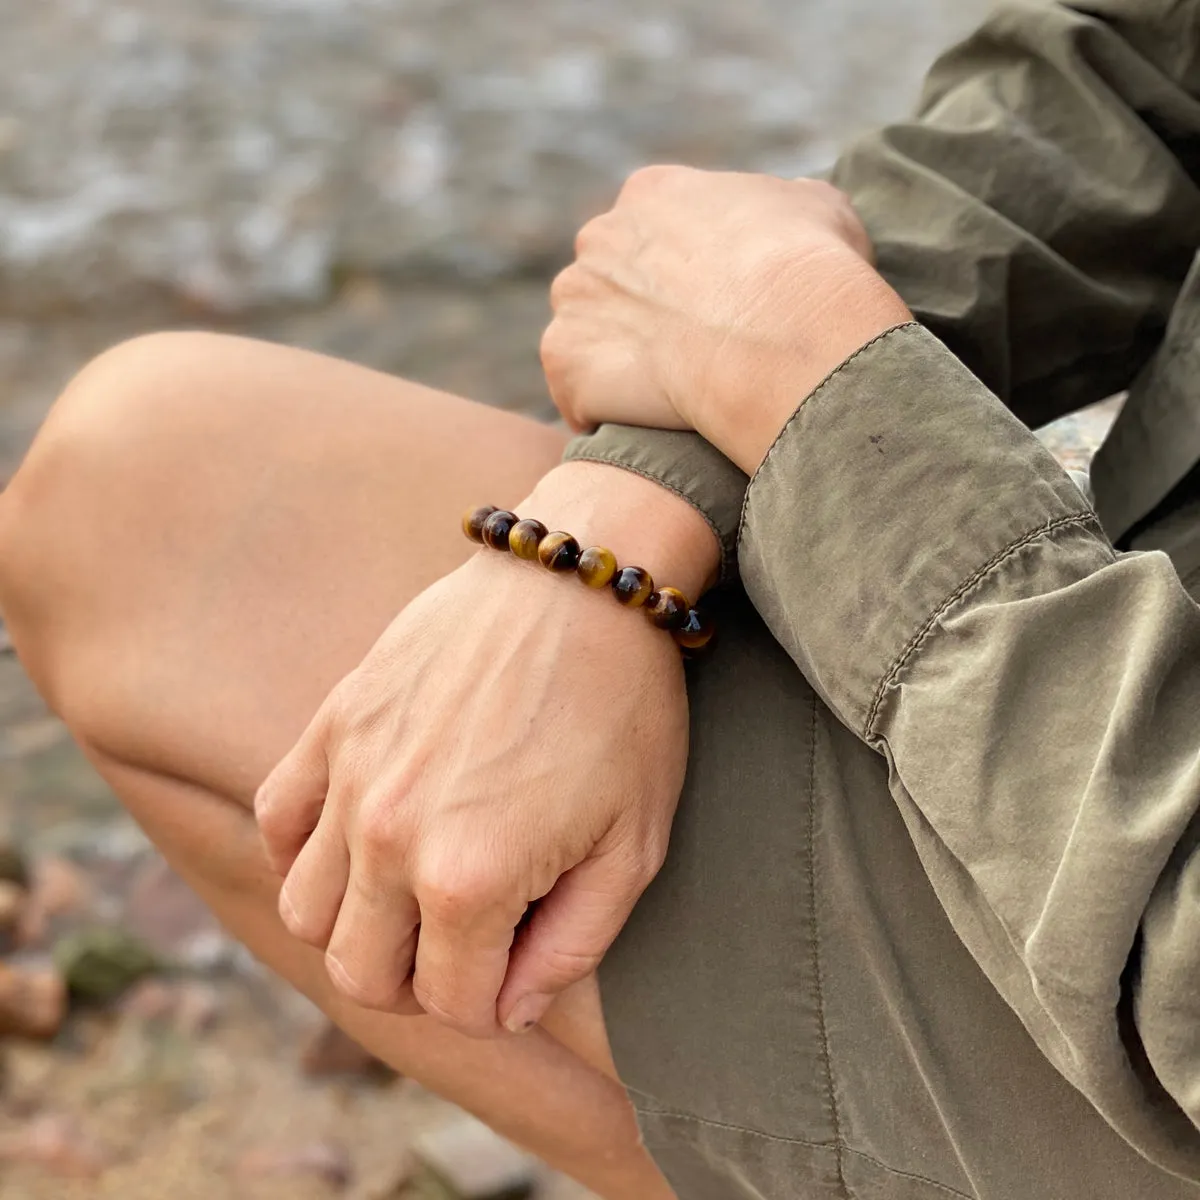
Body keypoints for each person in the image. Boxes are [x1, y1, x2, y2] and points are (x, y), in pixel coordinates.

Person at [2, 0, 1200, 1195]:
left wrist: (813, 384)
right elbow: (1140, 77)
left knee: (143, 496)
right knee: (143, 483)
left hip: (1151, 963)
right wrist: (639, 502)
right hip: (1104, 727)